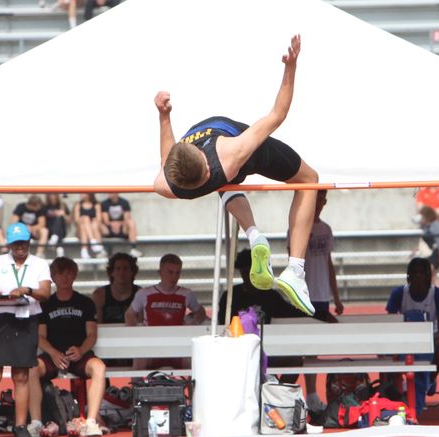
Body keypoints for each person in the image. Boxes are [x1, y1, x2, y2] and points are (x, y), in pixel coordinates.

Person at [151, 35, 319, 316]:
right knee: (309, 180)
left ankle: (254, 234)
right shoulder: (231, 151)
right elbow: (277, 114)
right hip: (242, 148)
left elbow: (166, 158)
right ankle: (295, 270)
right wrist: (290, 68)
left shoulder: (168, 185)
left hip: (221, 173)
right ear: (205, 166)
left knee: (225, 185)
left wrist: (164, 117)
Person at [0, 222, 51, 437]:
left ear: (29, 242)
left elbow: (45, 293)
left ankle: (20, 425)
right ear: (9, 244)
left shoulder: (39, 263)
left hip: (25, 319)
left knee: (21, 376)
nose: (20, 247)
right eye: (16, 243)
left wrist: (26, 290)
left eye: (23, 242)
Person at [28, 257, 105, 437]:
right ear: (53, 277)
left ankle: (91, 423)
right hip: (54, 356)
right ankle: (36, 422)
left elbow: (92, 335)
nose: (65, 277)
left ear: (75, 275)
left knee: (99, 368)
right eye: (60, 273)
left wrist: (81, 350)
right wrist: (53, 353)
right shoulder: (45, 304)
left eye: (69, 273)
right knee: (31, 369)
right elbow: (40, 336)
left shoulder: (85, 303)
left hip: (79, 355)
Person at [295, 189, 343, 411]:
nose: (321, 203)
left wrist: (337, 297)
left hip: (322, 295)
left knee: (313, 347)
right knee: (303, 347)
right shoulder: (297, 226)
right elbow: (294, 259)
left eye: (323, 199)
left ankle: (311, 394)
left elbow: (329, 264)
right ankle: (308, 393)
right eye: (317, 198)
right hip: (305, 294)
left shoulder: (326, 229)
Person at [125, 254, 206, 368]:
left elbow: (200, 312)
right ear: (160, 272)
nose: (174, 277)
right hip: (151, 347)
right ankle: (135, 385)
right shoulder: (145, 293)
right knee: (138, 362)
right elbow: (130, 314)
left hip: (177, 347)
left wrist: (194, 323)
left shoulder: (186, 294)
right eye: (170, 272)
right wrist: (136, 333)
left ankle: (193, 386)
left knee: (193, 364)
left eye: (177, 272)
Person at [386, 257, 439, 397]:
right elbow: (389, 323)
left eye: (422, 273)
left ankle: (430, 380)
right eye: (415, 273)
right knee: (385, 350)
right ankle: (394, 388)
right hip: (405, 340)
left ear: (428, 276)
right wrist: (406, 339)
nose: (418, 276)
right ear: (409, 276)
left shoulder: (438, 295)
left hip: (429, 339)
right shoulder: (399, 293)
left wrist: (424, 339)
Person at [217, 249, 304, 323]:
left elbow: (289, 313)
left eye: (251, 271)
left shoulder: (271, 296)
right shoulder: (230, 296)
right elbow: (222, 322)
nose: (248, 275)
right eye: (244, 272)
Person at [91, 252, 139, 368]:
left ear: (132, 271)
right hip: (107, 341)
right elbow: (98, 325)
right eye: (118, 268)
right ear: (111, 272)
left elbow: (141, 324)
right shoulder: (100, 294)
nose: (122, 272)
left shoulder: (139, 294)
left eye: (126, 268)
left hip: (132, 341)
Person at [100, 193, 140, 257]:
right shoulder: (104, 203)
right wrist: (112, 224)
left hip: (122, 228)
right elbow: (105, 220)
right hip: (109, 229)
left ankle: (133, 249)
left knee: (131, 222)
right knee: (97, 223)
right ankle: (99, 250)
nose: (109, 193)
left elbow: (127, 218)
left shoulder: (124, 202)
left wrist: (119, 224)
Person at [418, 206, 439, 288]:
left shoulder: (435, 225)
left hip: (435, 254)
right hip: (430, 254)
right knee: (433, 277)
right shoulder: (427, 226)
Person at [73, 193, 106, 259]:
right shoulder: (78, 205)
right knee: (85, 219)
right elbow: (76, 220)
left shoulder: (96, 204)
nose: (81, 194)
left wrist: (90, 223)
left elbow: (99, 219)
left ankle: (84, 251)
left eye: (83, 193)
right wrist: (84, 220)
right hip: (80, 230)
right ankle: (94, 242)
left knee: (93, 225)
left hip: (94, 229)